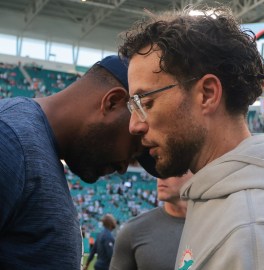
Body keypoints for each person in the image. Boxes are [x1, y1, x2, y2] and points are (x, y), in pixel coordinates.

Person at [119, 5, 264, 270]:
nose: (134, 125)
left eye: (146, 102)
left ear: (208, 94)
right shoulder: (212, 196)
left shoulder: (251, 230)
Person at [0, 55, 158, 270]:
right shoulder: (9, 139)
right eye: (133, 149)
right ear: (112, 102)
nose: (123, 168)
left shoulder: (35, 147)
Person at [109, 172, 192, 270]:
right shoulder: (133, 232)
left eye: (171, 168)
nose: (160, 175)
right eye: (158, 168)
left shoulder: (214, 227)